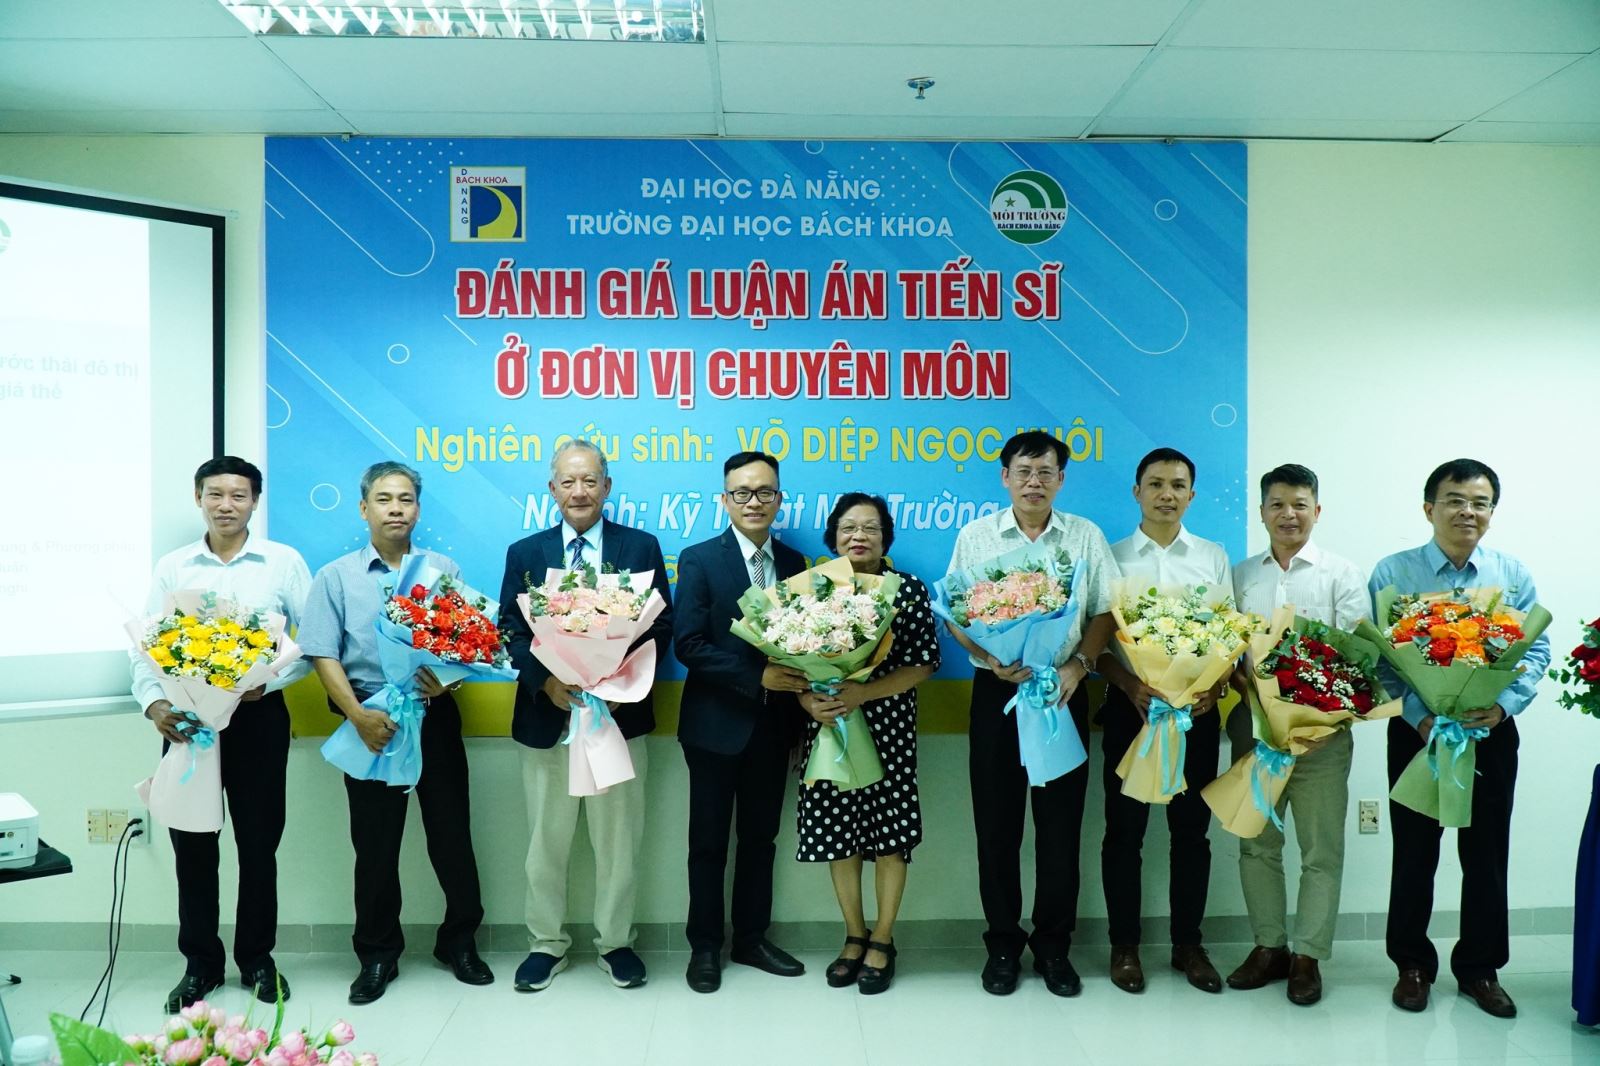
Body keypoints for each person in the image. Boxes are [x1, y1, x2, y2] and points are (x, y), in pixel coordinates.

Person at [299, 462, 492, 1005]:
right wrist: (357, 717)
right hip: (371, 721)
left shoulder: (442, 569)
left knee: (452, 836)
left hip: (434, 717)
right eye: (384, 499)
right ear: (364, 508)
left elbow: (465, 644)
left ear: (418, 509)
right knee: (375, 846)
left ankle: (459, 943)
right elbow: (322, 652)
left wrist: (448, 681)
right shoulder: (335, 576)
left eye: (406, 499)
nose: (395, 509)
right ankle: (378, 954)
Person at [1370, 458, 1549, 1019]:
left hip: (1489, 732)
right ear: (1429, 508)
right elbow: (1381, 659)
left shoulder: (1511, 574)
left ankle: (1480, 968)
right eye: (1454, 500)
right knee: (1414, 852)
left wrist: (1502, 706)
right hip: (1418, 734)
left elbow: (1536, 651)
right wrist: (1421, 716)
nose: (1467, 511)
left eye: (1480, 503)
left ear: (1492, 513)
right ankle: (1411, 965)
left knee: (1487, 853)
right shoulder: (1393, 573)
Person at [132, 456, 311, 1015]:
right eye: (215, 494)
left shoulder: (282, 563)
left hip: (258, 720)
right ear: (198, 498)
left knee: (258, 845)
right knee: (192, 847)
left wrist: (267, 681)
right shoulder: (174, 566)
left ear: (255, 500)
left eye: (238, 495)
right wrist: (155, 704)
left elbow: (313, 647)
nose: (226, 505)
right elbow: (144, 648)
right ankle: (200, 964)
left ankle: (257, 959)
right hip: (188, 724)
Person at [945, 430, 1119, 997]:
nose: (1034, 482)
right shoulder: (976, 537)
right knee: (996, 828)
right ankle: (1002, 945)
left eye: (1045, 472)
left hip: (1062, 691)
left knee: (1060, 829)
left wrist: (1079, 666)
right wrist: (988, 656)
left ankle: (1053, 947)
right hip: (997, 693)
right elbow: (956, 612)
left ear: (1061, 479)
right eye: (1023, 471)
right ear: (1005, 477)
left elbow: (1105, 611)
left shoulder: (1085, 536)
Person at [497, 440, 672, 992]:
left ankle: (616, 943)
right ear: (552, 489)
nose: (579, 491)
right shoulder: (525, 552)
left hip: (617, 720)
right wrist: (546, 682)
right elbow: (510, 631)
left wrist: (624, 686)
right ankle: (545, 944)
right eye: (568, 482)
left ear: (607, 487)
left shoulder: (640, 547)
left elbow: (660, 627)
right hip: (548, 721)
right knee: (544, 844)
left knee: (618, 843)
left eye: (590, 480)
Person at [1225, 463, 1369, 1006]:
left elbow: (1358, 658)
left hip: (1322, 737)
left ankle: (1308, 955)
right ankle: (1269, 947)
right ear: (1262, 512)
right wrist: (1235, 675)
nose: (1289, 514)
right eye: (1278, 504)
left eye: (1300, 504)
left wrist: (1322, 713)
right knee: (1256, 842)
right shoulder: (1241, 576)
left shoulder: (1341, 574)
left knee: (1320, 849)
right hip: (1255, 731)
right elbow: (1227, 648)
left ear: (1317, 510)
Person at [1096, 448, 1231, 995]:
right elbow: (1097, 646)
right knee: (1123, 834)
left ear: (1191, 496)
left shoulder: (1212, 556)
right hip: (1133, 712)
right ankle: (1124, 946)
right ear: (1137, 492)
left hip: (1195, 716)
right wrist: (1130, 685)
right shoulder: (1112, 557)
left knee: (1191, 833)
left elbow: (1230, 635)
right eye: (1155, 484)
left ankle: (1188, 946)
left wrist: (1215, 686)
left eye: (1177, 485)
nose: (1166, 494)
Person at [674, 451, 807, 993]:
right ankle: (705, 947)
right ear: (725, 499)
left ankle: (751, 939)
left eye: (765, 492)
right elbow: (688, 644)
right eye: (743, 493)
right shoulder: (699, 559)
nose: (754, 502)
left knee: (761, 839)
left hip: (774, 728)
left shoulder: (796, 563)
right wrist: (757, 678)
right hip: (714, 726)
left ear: (779, 499)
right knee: (707, 843)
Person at [796, 493, 939, 995]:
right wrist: (809, 701)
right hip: (830, 725)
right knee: (840, 833)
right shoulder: (812, 590)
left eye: (871, 528)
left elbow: (924, 663)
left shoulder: (908, 590)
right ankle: (854, 935)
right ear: (834, 537)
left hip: (888, 726)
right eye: (848, 527)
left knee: (890, 836)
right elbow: (792, 665)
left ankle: (883, 938)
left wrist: (863, 693)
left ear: (886, 538)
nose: (859, 536)